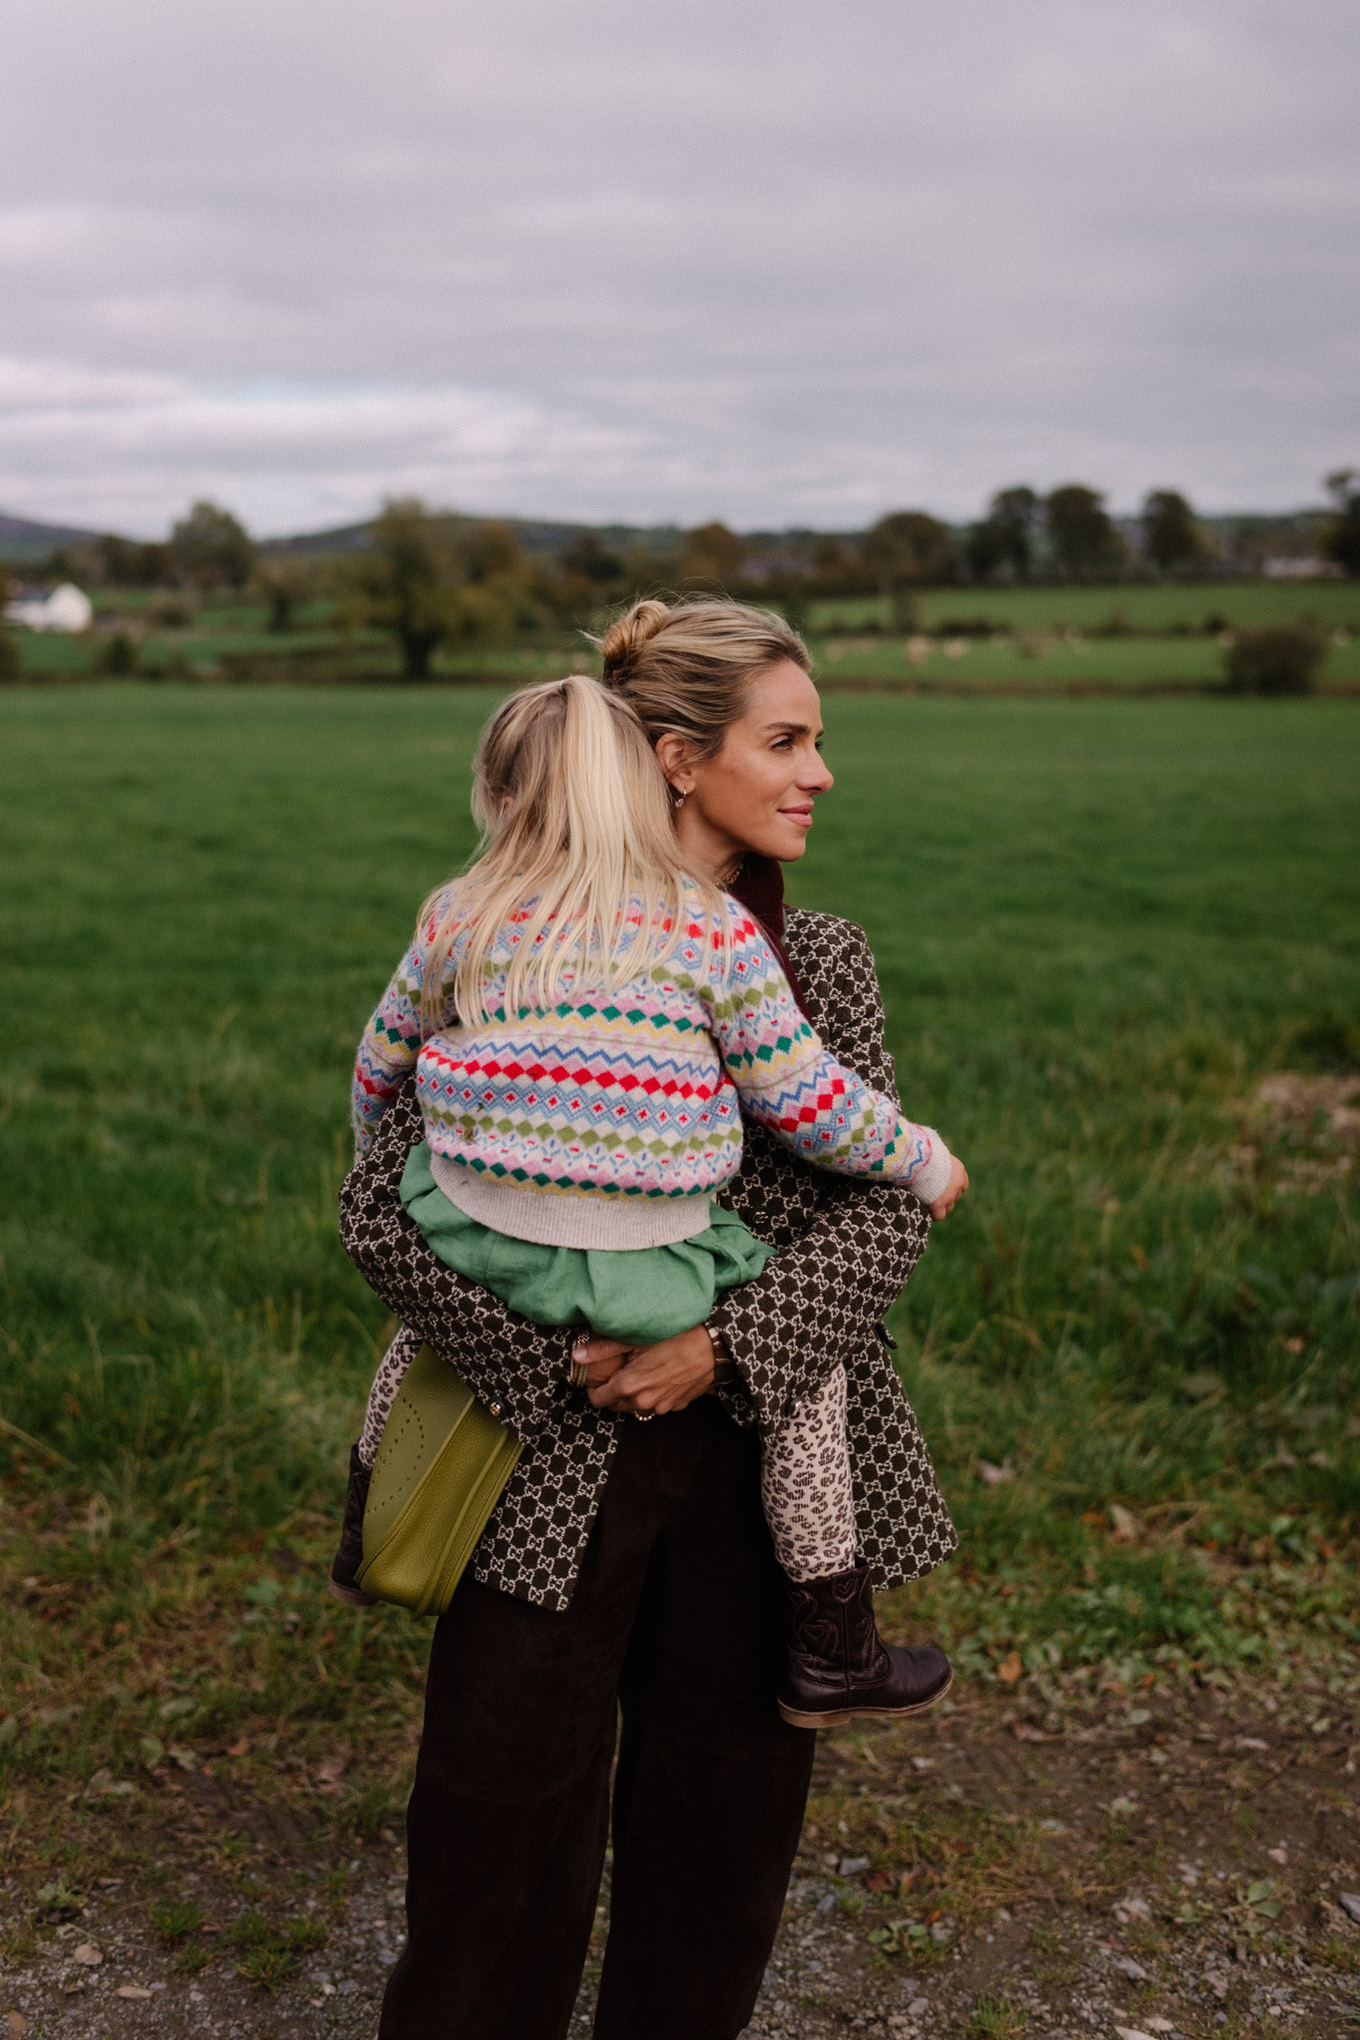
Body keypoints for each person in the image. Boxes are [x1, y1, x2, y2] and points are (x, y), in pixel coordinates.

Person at [337, 598, 963, 2040]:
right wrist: (547, 1357)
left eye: (820, 741)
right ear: (679, 759)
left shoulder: (826, 959)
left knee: (722, 1830)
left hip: (757, 1461)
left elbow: (889, 1201)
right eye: (787, 740)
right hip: (530, 1454)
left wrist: (718, 1349)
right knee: (494, 1822)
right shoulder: (498, 920)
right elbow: (377, 1196)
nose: (819, 772)